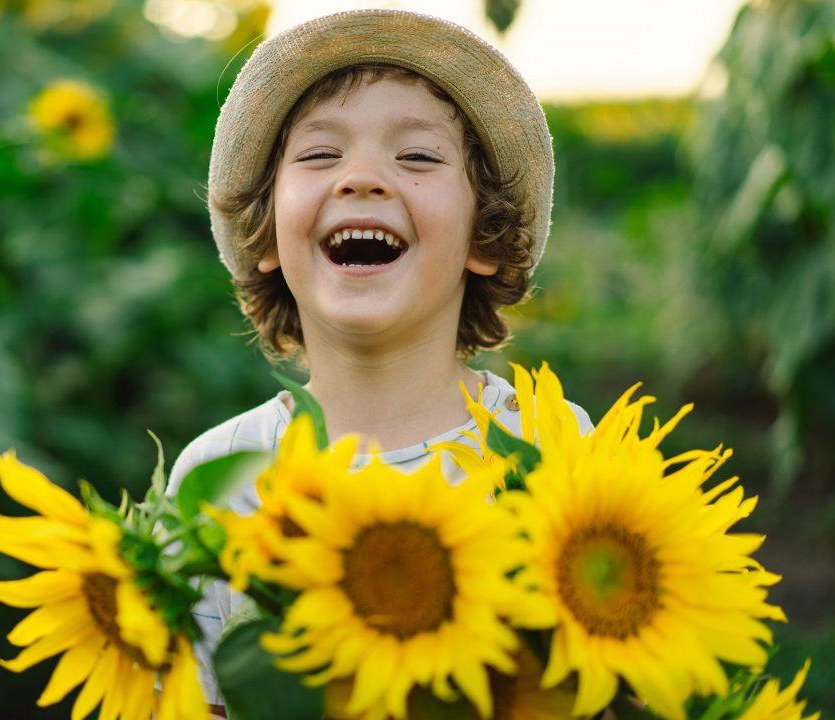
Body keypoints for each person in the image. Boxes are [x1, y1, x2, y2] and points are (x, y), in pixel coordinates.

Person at [165, 9, 595, 717]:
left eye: (418, 157)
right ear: (266, 233)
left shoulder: (551, 446)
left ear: (484, 236)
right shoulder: (220, 474)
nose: (361, 178)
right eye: (319, 155)